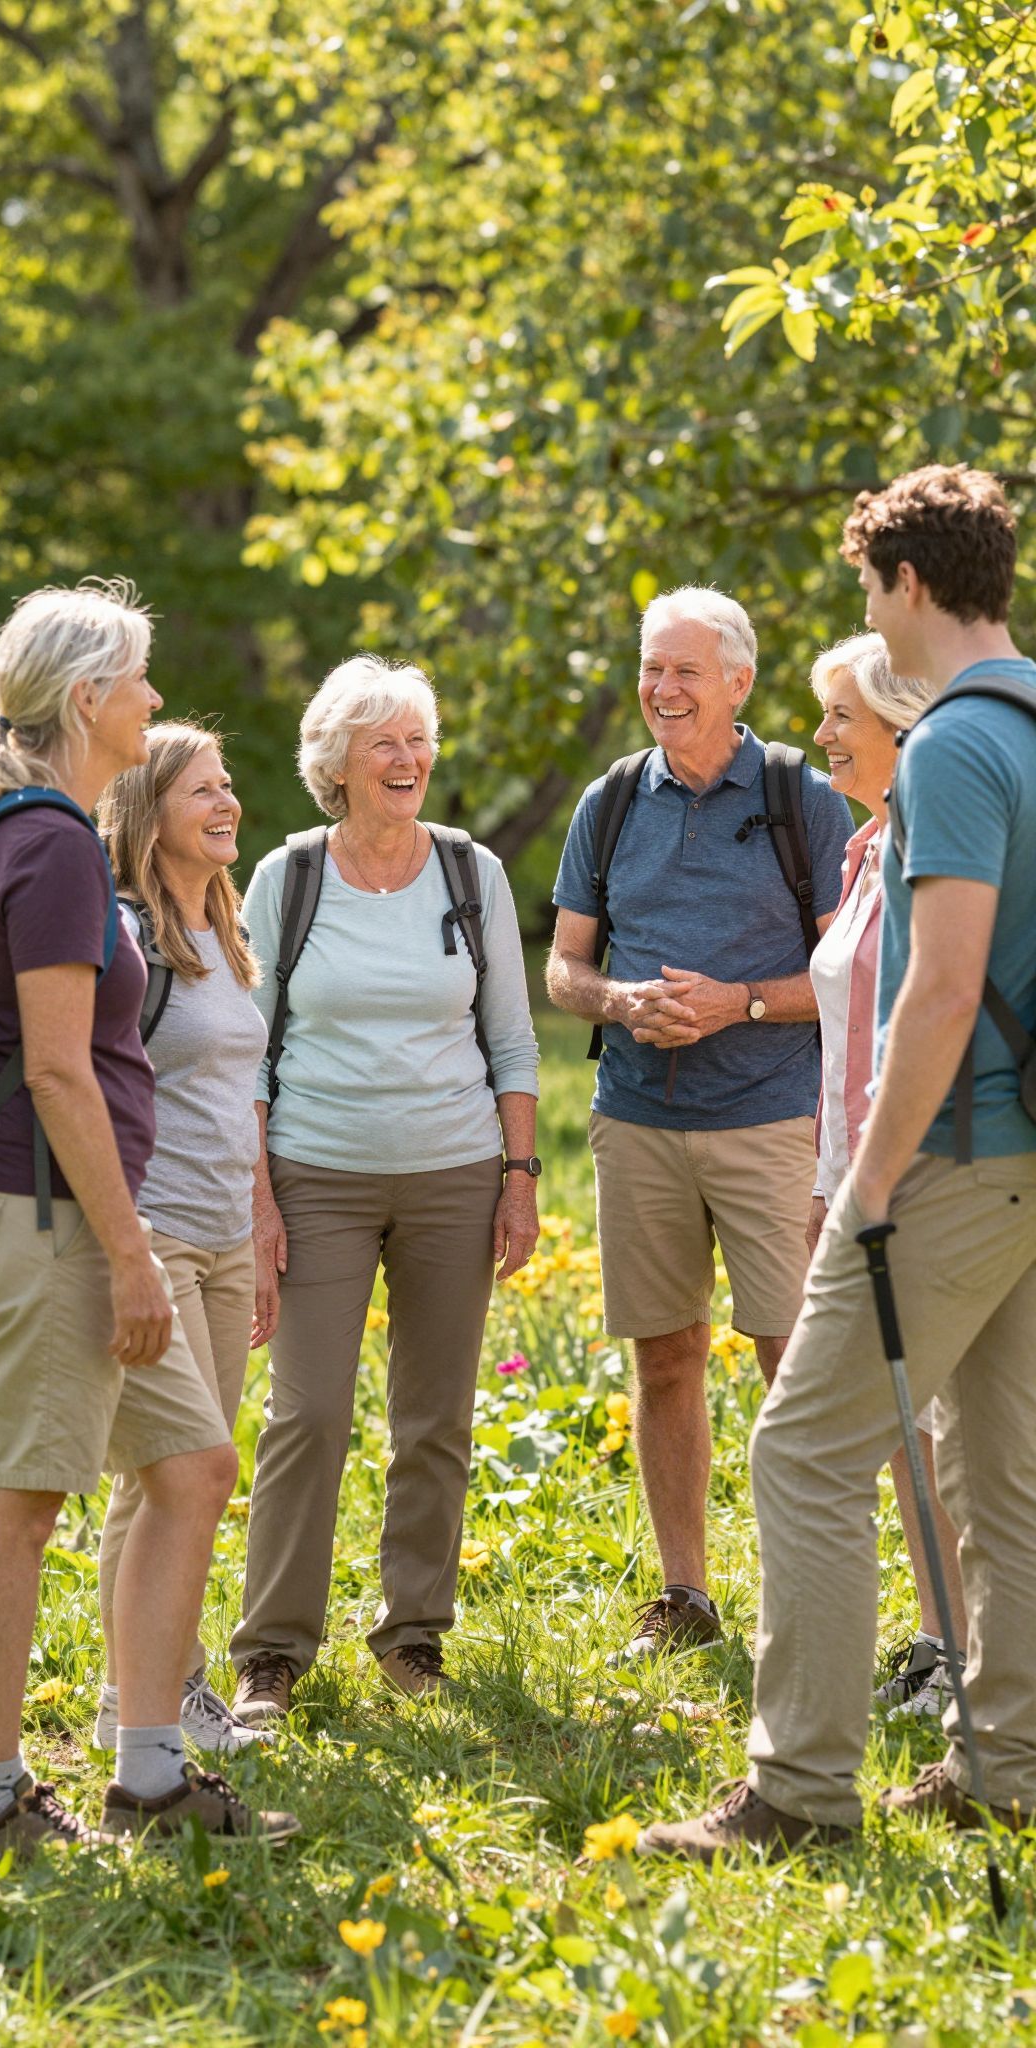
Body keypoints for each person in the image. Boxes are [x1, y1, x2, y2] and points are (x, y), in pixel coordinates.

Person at [638, 463, 1036, 1863]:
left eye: (871, 585)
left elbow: (938, 987)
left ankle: (799, 1792)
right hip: (1029, 1160)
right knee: (1001, 1469)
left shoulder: (955, 748)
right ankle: (1009, 1766)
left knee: (804, 1452)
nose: (870, 606)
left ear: (909, 585)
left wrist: (866, 1182)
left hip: (954, 1153)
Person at [0, 583, 298, 1858]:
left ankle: (147, 1775)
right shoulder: (52, 847)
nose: (153, 698)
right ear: (90, 696)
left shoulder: (50, 832)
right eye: (141, 679)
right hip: (44, 1221)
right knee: (20, 1505)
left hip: (74, 1213)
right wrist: (132, 1250)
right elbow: (55, 1067)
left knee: (191, 1467)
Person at [229, 655, 540, 1724]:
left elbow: (510, 1035)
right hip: (317, 1173)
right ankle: (271, 1648)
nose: (407, 758)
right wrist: (259, 1197)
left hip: (455, 1172)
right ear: (338, 762)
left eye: (417, 738)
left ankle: (414, 1632)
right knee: (306, 1411)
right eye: (384, 741)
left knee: (435, 1416)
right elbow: (247, 1051)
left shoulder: (471, 871)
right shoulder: (289, 877)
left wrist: (520, 1175)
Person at [547, 588, 852, 1660]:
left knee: (792, 1358)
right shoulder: (613, 799)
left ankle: (805, 1600)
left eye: (685, 670)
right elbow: (564, 965)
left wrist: (741, 1001)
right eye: (650, 667)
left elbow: (847, 973)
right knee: (665, 1358)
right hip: (636, 1119)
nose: (662, 689)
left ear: (737, 682)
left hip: (773, 1119)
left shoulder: (800, 797)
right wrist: (624, 1003)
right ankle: (686, 1595)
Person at [95, 723, 268, 1758]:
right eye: (201, 789)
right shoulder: (128, 936)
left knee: (189, 1480)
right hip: (156, 1229)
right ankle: (144, 1699)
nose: (226, 801)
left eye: (228, 784)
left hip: (223, 1233)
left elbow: (238, 1090)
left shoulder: (223, 931)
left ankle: (158, 1688)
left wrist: (258, 1216)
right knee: (167, 1475)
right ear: (148, 810)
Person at [807, 635, 967, 1717]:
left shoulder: (937, 852)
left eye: (839, 719)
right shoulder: (865, 851)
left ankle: (977, 1656)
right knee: (910, 1429)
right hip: (850, 1176)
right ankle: (940, 1632)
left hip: (926, 1176)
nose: (820, 737)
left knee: (951, 1429)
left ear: (902, 733)